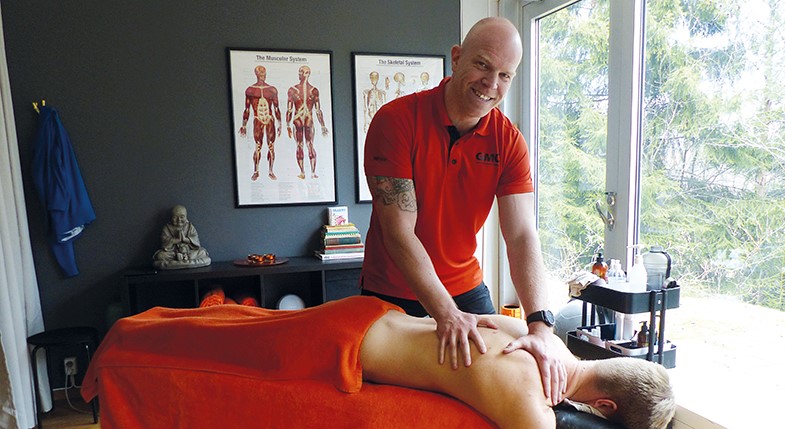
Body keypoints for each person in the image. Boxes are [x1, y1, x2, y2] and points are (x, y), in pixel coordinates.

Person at [362, 16, 566, 403]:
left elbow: (521, 235)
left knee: (503, 387)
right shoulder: (395, 121)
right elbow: (399, 232)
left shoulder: (509, 142)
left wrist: (540, 324)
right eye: (483, 65)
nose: (491, 84)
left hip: (466, 290)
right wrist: (445, 313)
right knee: (394, 408)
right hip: (391, 292)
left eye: (505, 75)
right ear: (456, 58)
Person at [88, 296, 675, 429]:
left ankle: (140, 329)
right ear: (602, 408)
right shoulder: (533, 406)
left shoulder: (537, 338)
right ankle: (127, 345)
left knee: (235, 328)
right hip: (345, 349)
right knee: (223, 353)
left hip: (368, 316)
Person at [239, 65, 282, 181]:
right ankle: (256, 171)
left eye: (263, 72)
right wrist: (243, 125)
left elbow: (276, 108)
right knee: (258, 146)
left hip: (269, 119)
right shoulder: (250, 90)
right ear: (256, 74)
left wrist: (280, 124)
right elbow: (247, 109)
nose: (262, 74)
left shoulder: (272, 90)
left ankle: (270, 171)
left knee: (271, 146)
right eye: (260, 72)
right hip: (258, 119)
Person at [286, 65, 329, 179]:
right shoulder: (300, 90)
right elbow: (289, 109)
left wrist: (323, 126)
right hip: (303, 120)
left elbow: (318, 110)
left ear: (308, 74)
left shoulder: (309, 90)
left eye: (302, 72)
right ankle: (305, 172)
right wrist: (287, 125)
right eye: (300, 72)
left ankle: (310, 172)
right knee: (303, 145)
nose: (300, 74)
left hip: (302, 119)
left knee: (306, 145)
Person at [152, 205, 211, 269]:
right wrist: (176, 240)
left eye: (182, 217)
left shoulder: (190, 227)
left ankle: (185, 258)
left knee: (202, 252)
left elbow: (196, 239)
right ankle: (183, 260)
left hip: (188, 252)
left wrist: (186, 239)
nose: (179, 220)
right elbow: (164, 242)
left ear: (186, 217)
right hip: (173, 253)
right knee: (160, 255)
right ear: (171, 217)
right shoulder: (167, 228)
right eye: (175, 217)